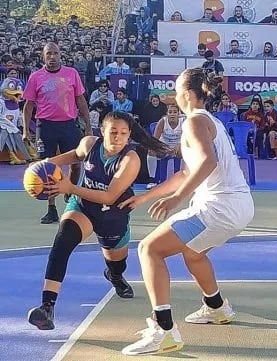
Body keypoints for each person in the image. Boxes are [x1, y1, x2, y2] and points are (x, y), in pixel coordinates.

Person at [119, 69, 254, 356]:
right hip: (238, 206)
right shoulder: (208, 120)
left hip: (218, 208)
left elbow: (207, 162)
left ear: (188, 94)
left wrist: (177, 199)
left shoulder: (193, 121)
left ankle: (164, 331)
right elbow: (185, 173)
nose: (174, 94)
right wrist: (146, 198)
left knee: (149, 249)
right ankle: (217, 308)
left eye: (177, 89)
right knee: (193, 253)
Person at [27, 112, 173, 330]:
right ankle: (47, 307)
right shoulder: (90, 144)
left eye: (123, 133)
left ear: (129, 135)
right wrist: (45, 164)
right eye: (113, 132)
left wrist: (70, 188)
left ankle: (114, 275)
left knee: (117, 263)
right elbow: (76, 154)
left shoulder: (130, 160)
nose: (118, 137)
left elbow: (109, 197)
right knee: (62, 242)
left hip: (113, 214)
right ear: (102, 131)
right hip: (83, 206)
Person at [22, 42, 92, 225]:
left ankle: (69, 193)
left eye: (55, 53)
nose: (52, 57)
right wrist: (25, 130)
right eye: (48, 54)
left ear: (60, 54)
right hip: (45, 126)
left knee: (76, 164)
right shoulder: (36, 77)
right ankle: (51, 209)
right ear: (43, 57)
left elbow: (81, 100)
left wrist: (88, 126)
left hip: (69, 124)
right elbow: (28, 106)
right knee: (47, 168)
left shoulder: (72, 74)